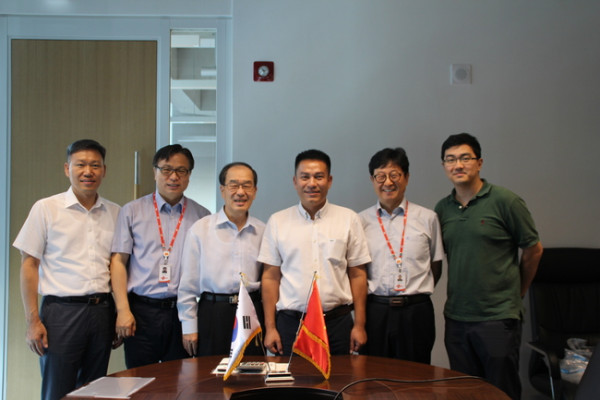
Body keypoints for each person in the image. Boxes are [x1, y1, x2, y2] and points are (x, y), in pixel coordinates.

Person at [435, 133, 543, 400]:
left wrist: (516, 293)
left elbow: (533, 250)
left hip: (497, 318)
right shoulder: (442, 209)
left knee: (500, 391)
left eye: (465, 158)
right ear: (444, 165)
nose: (458, 165)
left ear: (479, 162)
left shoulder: (506, 201)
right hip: (457, 318)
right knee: (463, 392)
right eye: (451, 159)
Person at [13, 139, 120, 400]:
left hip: (102, 312)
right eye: (80, 165)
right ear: (66, 168)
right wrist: (32, 321)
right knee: (58, 391)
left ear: (104, 170)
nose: (88, 171)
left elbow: (118, 266)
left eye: (95, 165)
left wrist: (119, 312)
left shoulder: (115, 212)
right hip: (61, 313)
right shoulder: (46, 208)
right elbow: (29, 265)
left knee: (95, 390)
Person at [259, 149, 371, 356]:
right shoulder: (277, 221)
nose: (312, 183)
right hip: (291, 325)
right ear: (295, 181)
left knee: (340, 377)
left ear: (329, 181)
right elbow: (270, 277)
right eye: (305, 177)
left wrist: (359, 325)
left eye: (319, 176)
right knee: (291, 378)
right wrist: (271, 328)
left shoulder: (349, 219)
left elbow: (358, 274)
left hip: (337, 324)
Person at [110, 144, 210, 368]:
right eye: (166, 169)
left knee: (181, 379)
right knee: (139, 379)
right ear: (155, 172)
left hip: (181, 312)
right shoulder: (132, 211)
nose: (173, 177)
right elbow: (118, 262)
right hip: (141, 312)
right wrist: (123, 310)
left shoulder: (202, 217)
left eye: (181, 170)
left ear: (189, 175)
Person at [359, 147, 443, 364]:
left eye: (394, 175)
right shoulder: (359, 222)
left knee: (417, 373)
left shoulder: (428, 218)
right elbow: (356, 271)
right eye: (380, 176)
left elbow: (435, 266)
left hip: (416, 311)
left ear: (406, 177)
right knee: (374, 373)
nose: (388, 182)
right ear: (372, 180)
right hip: (375, 311)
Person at [177, 162, 265, 357]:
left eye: (247, 185)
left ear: (255, 191)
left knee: (252, 370)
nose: (240, 192)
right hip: (213, 313)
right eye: (233, 185)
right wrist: (189, 326)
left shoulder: (263, 232)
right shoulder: (200, 230)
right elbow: (187, 286)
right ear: (222, 190)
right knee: (210, 372)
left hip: (251, 311)